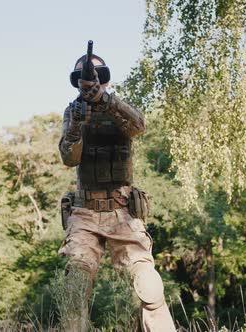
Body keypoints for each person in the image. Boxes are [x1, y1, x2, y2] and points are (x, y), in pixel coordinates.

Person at [58, 52, 176, 332]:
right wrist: (76, 125)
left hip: (122, 211)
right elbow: (69, 158)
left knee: (149, 287)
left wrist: (105, 100)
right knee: (75, 285)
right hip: (85, 213)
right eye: (83, 79)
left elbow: (138, 126)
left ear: (105, 80)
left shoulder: (118, 108)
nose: (88, 83)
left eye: (95, 78)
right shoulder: (73, 113)